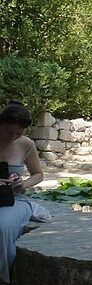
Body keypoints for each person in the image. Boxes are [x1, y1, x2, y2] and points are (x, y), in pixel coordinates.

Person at [0, 100, 44, 283]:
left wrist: (24, 183)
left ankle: (3, 276)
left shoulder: (26, 144)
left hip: (15, 200)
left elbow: (38, 174)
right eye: (10, 132)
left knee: (2, 226)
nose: (14, 136)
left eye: (19, 133)